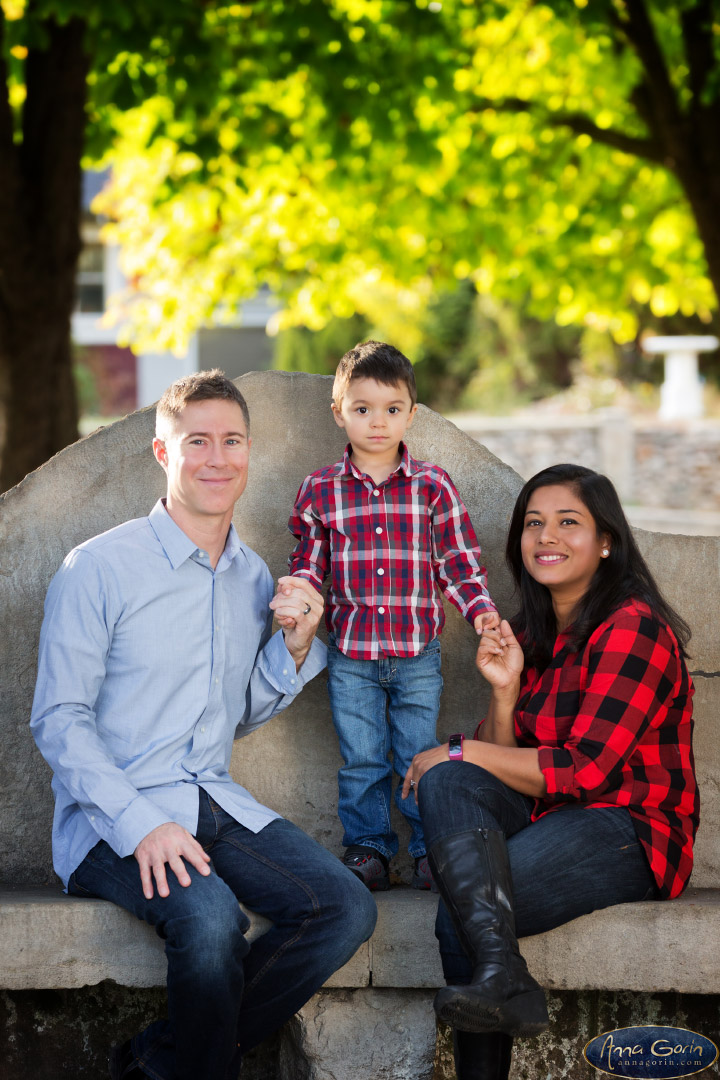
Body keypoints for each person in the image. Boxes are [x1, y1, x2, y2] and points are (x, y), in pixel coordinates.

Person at [30, 370, 377, 1080]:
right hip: (111, 818)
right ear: (164, 453)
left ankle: (166, 1062)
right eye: (198, 442)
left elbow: (235, 714)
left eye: (232, 441)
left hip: (212, 800)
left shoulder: (253, 578)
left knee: (342, 907)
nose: (217, 459)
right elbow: (59, 720)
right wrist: (141, 824)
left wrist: (295, 649)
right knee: (213, 920)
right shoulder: (98, 568)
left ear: (250, 451)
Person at [402, 463, 698, 1080]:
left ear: (607, 540)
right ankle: (505, 976)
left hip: (630, 829)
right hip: (553, 815)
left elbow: (586, 771)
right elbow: (494, 773)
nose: (547, 536)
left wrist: (461, 749)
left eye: (569, 522)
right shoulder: (536, 635)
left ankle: (501, 984)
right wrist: (504, 696)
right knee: (449, 781)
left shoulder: (632, 626)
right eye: (534, 523)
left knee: (461, 907)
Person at [287, 340, 499, 892]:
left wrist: (482, 615)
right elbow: (310, 564)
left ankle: (432, 850)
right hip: (351, 655)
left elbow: (458, 563)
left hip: (417, 656)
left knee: (416, 751)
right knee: (360, 759)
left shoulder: (433, 486)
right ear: (339, 412)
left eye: (391, 409)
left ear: (411, 412)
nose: (376, 422)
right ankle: (369, 850)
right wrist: (299, 600)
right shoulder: (321, 490)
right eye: (361, 409)